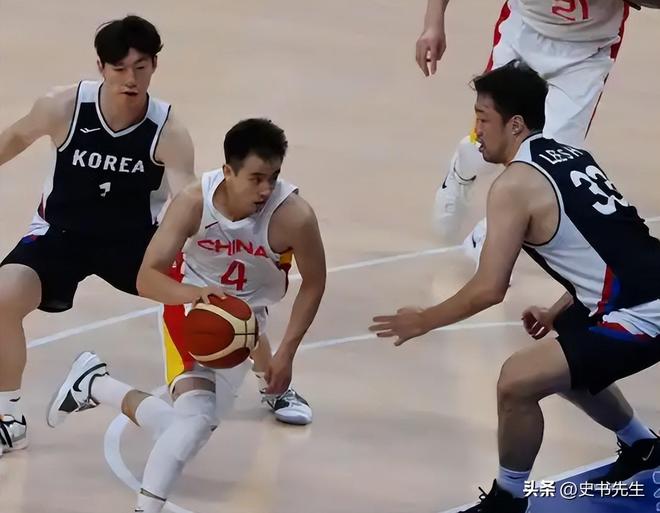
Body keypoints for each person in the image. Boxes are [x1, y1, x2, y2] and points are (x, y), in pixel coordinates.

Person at [370, 61, 660, 513]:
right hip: (646, 286)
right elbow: (620, 245)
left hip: (645, 311)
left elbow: (489, 288)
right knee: (564, 352)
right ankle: (643, 445)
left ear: (516, 124)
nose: (476, 132)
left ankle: (508, 499)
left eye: (483, 119)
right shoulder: (572, 156)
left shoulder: (513, 185)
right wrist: (557, 309)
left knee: (516, 382)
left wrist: (424, 319)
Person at [48, 118, 326, 513]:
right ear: (228, 171)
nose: (266, 189)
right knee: (194, 423)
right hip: (191, 312)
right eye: (256, 178)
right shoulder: (194, 202)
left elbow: (314, 282)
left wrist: (287, 354)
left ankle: (96, 384)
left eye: (274, 177)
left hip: (246, 317)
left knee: (182, 430)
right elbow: (148, 277)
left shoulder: (294, 216)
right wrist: (194, 295)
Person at [0, 15, 195, 453]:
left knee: (215, 301)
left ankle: (274, 383)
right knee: (2, 296)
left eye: (140, 67)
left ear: (155, 65)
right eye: (120, 68)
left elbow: (186, 200)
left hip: (135, 244)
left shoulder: (168, 131)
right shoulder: (63, 106)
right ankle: (8, 417)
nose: (131, 79)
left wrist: (199, 251)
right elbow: (14, 137)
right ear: (101, 67)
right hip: (60, 235)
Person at [416, 0, 630, 265]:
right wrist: (433, 23)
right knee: (489, 146)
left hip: (588, 49)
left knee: (550, 160)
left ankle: (487, 239)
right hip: (524, 31)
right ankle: (461, 170)